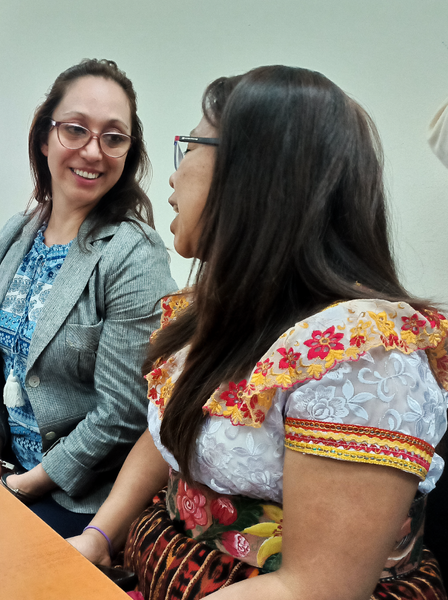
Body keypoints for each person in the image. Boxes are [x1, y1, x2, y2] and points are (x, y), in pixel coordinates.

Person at [67, 65, 448, 600]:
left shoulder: (360, 354)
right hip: (167, 568)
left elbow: (317, 586)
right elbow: (170, 432)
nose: (172, 178)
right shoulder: (219, 310)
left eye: (190, 147)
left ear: (255, 174)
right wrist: (99, 536)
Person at [0, 59, 176, 538]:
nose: (93, 151)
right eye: (76, 129)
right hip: (1, 463)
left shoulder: (133, 252)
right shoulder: (15, 233)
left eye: (113, 137)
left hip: (79, 494)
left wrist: (24, 485)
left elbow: (123, 412)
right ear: (45, 137)